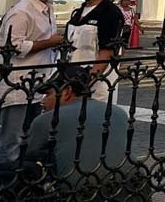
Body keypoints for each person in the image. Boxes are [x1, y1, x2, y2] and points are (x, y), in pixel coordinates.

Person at [15, 66, 149, 199]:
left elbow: (27, 159)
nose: (43, 100)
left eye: (48, 94)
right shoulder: (118, 112)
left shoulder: (47, 119)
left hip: (85, 192)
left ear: (67, 91)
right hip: (135, 186)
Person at [0, 0, 65, 181]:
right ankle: (3, 182)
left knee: (30, 136)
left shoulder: (46, 7)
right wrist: (50, 42)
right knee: (11, 139)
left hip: (37, 82)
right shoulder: (22, 12)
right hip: (17, 83)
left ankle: (23, 180)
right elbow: (13, 46)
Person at [66, 0, 125, 101]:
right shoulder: (79, 11)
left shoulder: (110, 13)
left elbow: (107, 52)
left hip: (95, 85)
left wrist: (87, 82)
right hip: (71, 80)